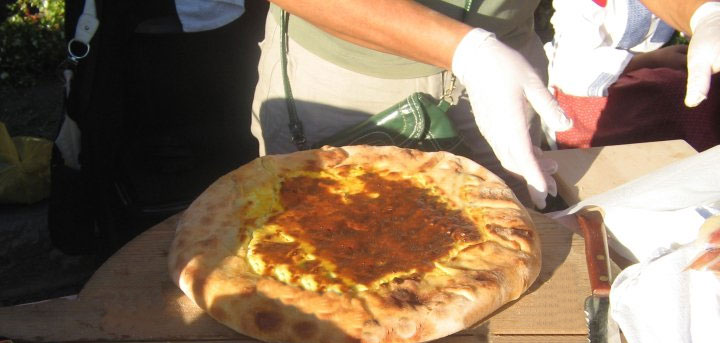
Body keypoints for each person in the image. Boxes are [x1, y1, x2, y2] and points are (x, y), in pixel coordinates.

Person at [248, 0, 720, 210]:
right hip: (352, 74)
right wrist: (466, 51)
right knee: (328, 240)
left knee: (506, 233)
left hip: (510, 67)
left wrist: (703, 12)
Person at [544, 0, 720, 151]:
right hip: (582, 98)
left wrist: (703, 27)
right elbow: (574, 68)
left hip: (641, 73)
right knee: (686, 101)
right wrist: (653, 60)